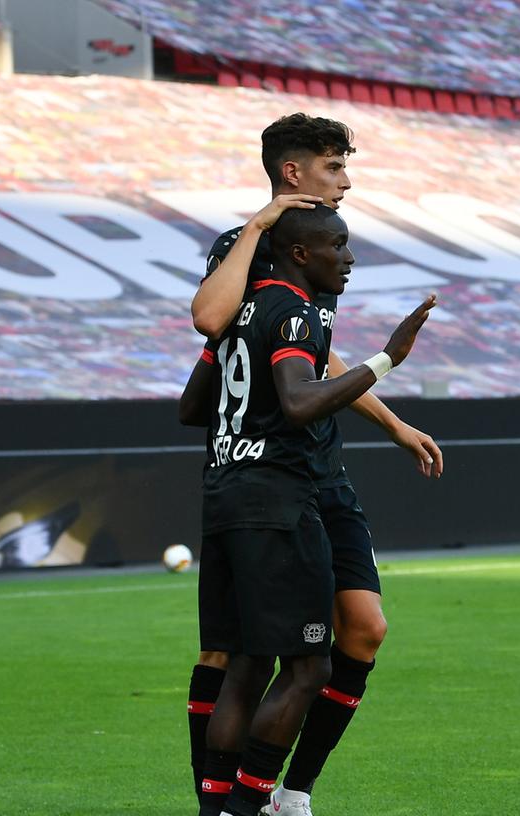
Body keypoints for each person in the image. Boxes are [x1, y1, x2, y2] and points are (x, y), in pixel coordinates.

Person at [187, 203, 435, 816]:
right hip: (280, 496)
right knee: (306, 667)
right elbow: (299, 402)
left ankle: (220, 808)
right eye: (339, 244)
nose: (348, 257)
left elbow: (193, 408)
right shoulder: (293, 309)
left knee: (248, 665)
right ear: (300, 252)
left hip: (226, 489)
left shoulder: (240, 318)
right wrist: (387, 359)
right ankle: (257, 804)